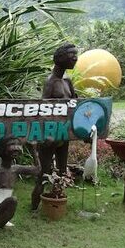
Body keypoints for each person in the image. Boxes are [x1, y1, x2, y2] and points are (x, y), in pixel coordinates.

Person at [32, 42, 78, 210]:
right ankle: (35, 205)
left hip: (64, 133)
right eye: (71, 54)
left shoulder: (67, 81)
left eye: (76, 54)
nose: (75, 58)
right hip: (50, 134)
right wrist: (45, 134)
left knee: (61, 170)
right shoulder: (50, 81)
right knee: (43, 172)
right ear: (59, 58)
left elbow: (74, 105)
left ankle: (55, 203)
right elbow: (43, 109)